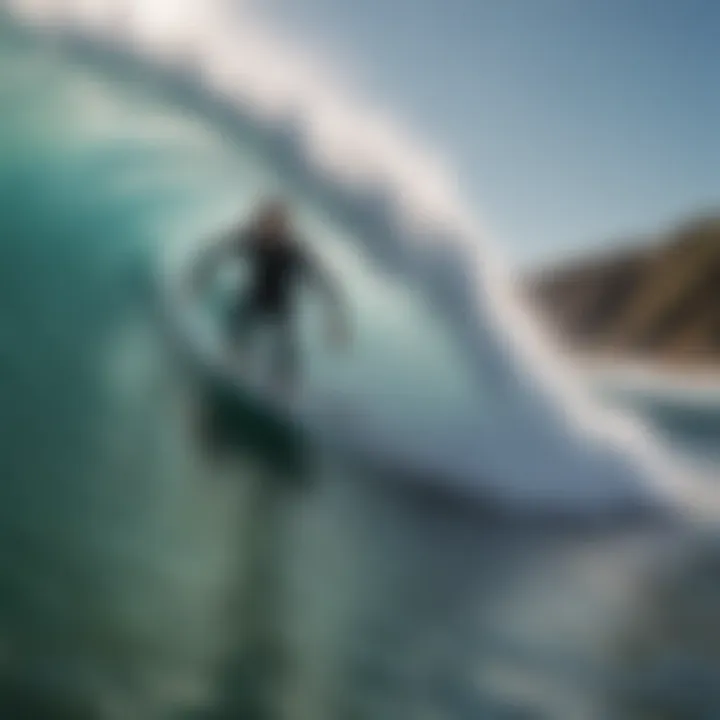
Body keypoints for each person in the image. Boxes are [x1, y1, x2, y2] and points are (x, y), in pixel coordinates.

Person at [193, 198, 350, 393]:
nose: (267, 229)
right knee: (236, 333)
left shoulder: (294, 252)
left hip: (280, 309)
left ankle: (283, 392)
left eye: (275, 226)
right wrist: (199, 277)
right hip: (253, 299)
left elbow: (323, 284)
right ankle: (233, 373)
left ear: (284, 229)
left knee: (285, 356)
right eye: (264, 223)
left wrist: (336, 320)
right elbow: (217, 253)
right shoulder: (250, 239)